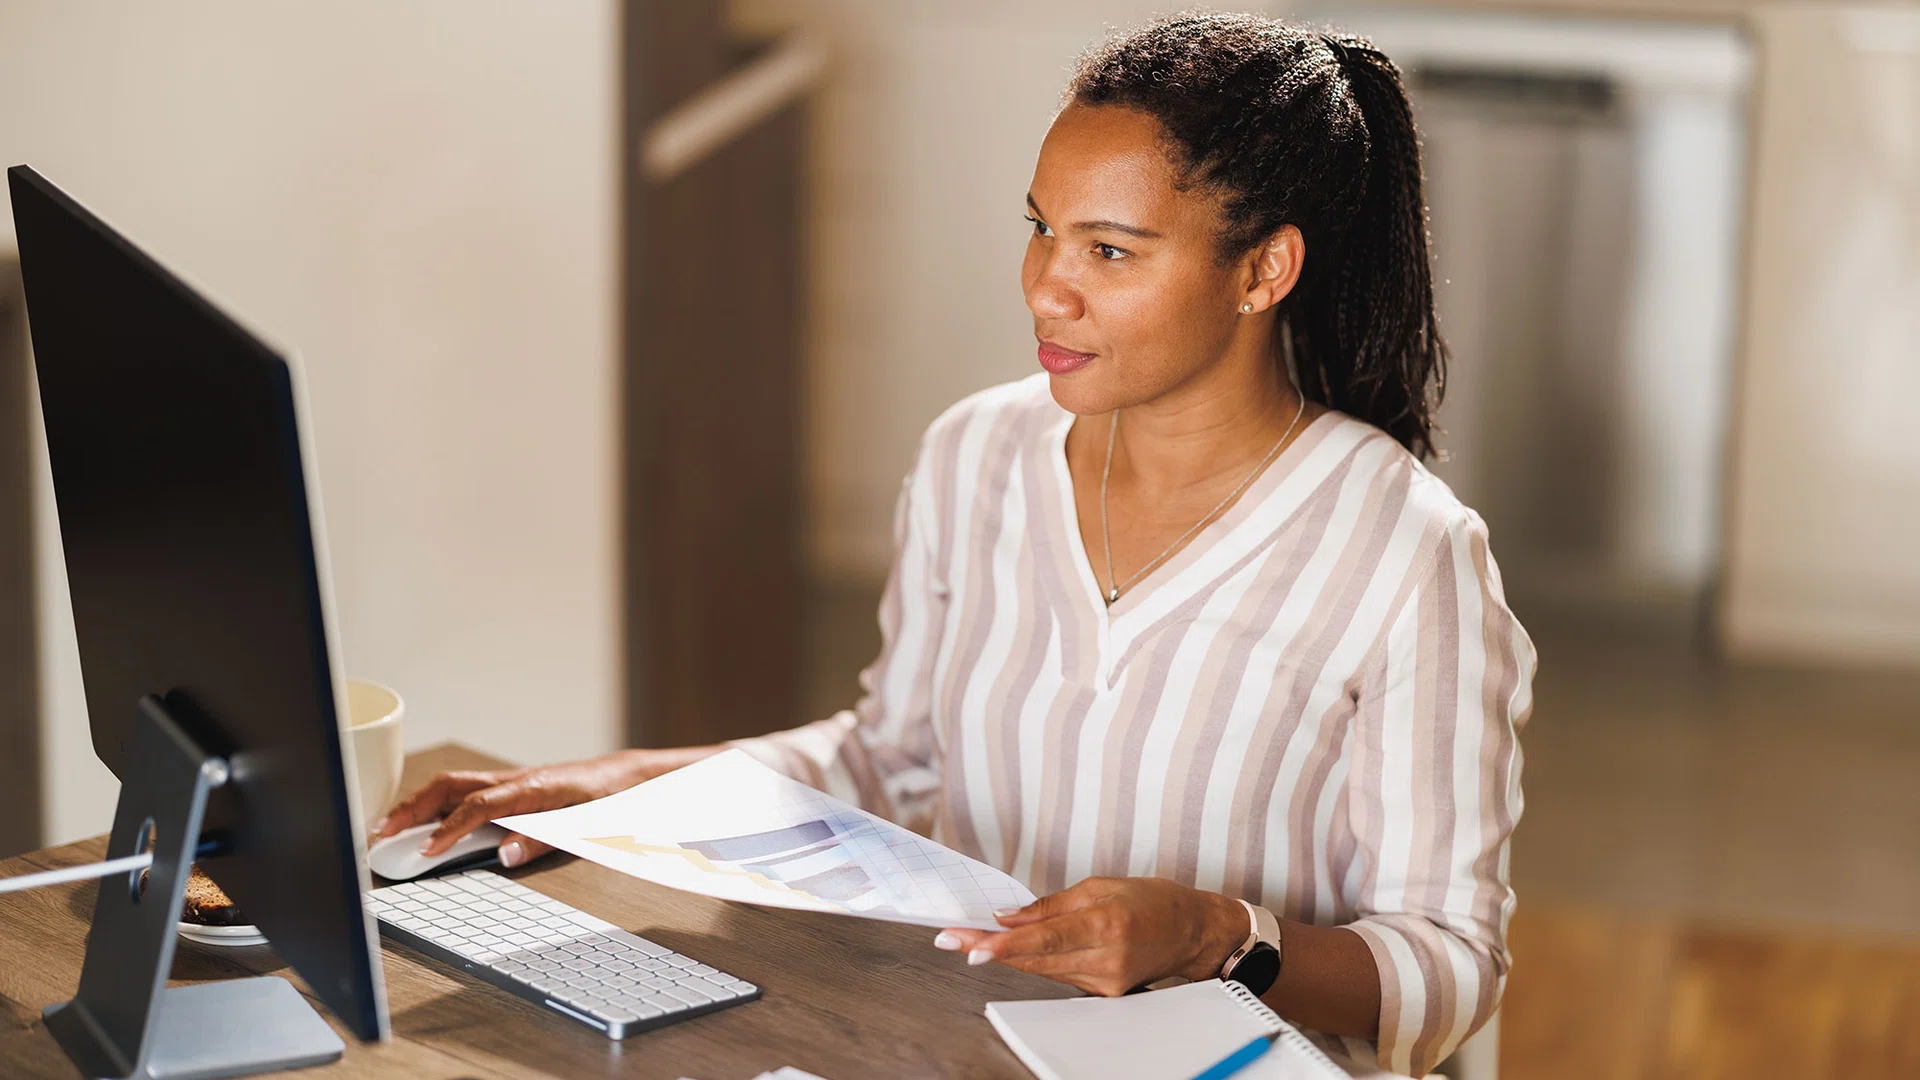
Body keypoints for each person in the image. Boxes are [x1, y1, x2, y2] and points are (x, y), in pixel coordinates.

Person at [375, 13, 1534, 1075]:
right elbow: (893, 757)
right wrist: (623, 786)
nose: (1045, 288)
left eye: (1111, 252)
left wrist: (1219, 936)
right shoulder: (976, 456)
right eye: (1041, 229)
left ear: (1262, 270)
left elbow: (1452, 962)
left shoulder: (1407, 557)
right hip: (949, 1043)